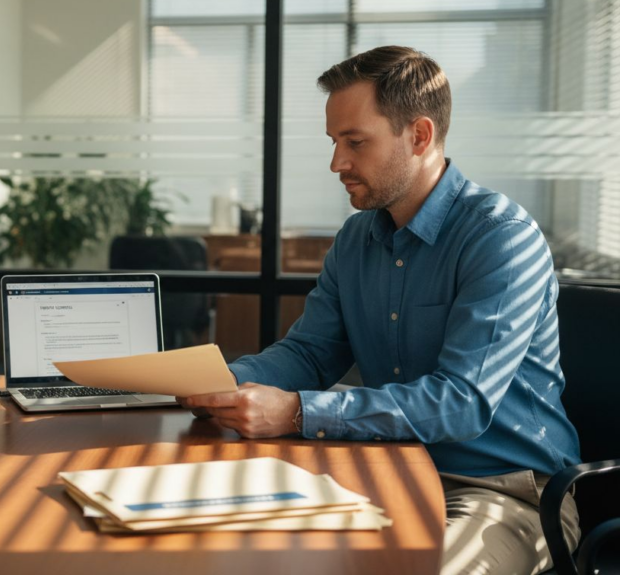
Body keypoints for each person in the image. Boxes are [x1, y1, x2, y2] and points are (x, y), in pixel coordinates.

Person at [180, 46, 581, 574]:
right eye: (334, 142)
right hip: (380, 470)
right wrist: (218, 381)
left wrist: (299, 411)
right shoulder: (355, 240)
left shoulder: (501, 239)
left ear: (419, 136)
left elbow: (462, 402)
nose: (337, 163)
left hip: (503, 491)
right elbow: (309, 352)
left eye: (355, 142)